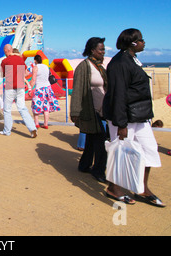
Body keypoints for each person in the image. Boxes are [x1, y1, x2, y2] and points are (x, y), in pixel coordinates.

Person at [103, 28, 165, 207]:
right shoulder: (120, 62)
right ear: (133, 43)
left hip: (139, 115)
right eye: (141, 40)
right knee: (121, 154)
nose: (144, 43)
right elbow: (118, 93)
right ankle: (114, 188)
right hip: (124, 117)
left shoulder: (132, 60)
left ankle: (142, 188)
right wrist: (121, 123)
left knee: (149, 150)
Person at [70, 37, 108, 183]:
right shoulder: (84, 67)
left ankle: (84, 165)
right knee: (101, 141)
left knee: (92, 139)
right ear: (92, 50)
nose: (103, 52)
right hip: (90, 110)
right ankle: (98, 171)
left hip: (101, 109)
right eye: (101, 49)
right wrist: (75, 112)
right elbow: (78, 90)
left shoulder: (99, 66)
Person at [0, 44, 37, 138]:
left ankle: (7, 131)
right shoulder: (20, 59)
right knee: (22, 108)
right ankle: (32, 128)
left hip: (10, 87)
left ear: (6, 51)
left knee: (7, 110)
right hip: (20, 87)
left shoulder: (4, 61)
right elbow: (26, 73)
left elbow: (2, 75)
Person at [29, 54, 60, 129]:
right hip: (47, 88)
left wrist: (30, 88)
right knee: (46, 106)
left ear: (35, 60)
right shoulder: (46, 67)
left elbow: (33, 79)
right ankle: (45, 124)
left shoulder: (35, 67)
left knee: (36, 105)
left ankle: (36, 123)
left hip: (39, 88)